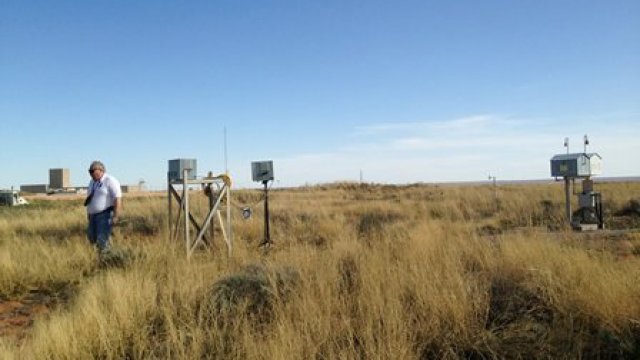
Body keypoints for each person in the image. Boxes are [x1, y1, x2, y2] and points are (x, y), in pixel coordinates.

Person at [85, 160, 122, 252]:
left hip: (105, 215)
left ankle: (107, 259)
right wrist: (89, 214)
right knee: (92, 238)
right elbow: (90, 199)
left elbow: (117, 198)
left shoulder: (110, 180)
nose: (91, 174)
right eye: (89, 171)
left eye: (93, 171)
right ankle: (99, 258)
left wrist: (116, 216)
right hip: (93, 216)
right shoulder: (92, 183)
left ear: (101, 170)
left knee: (102, 240)